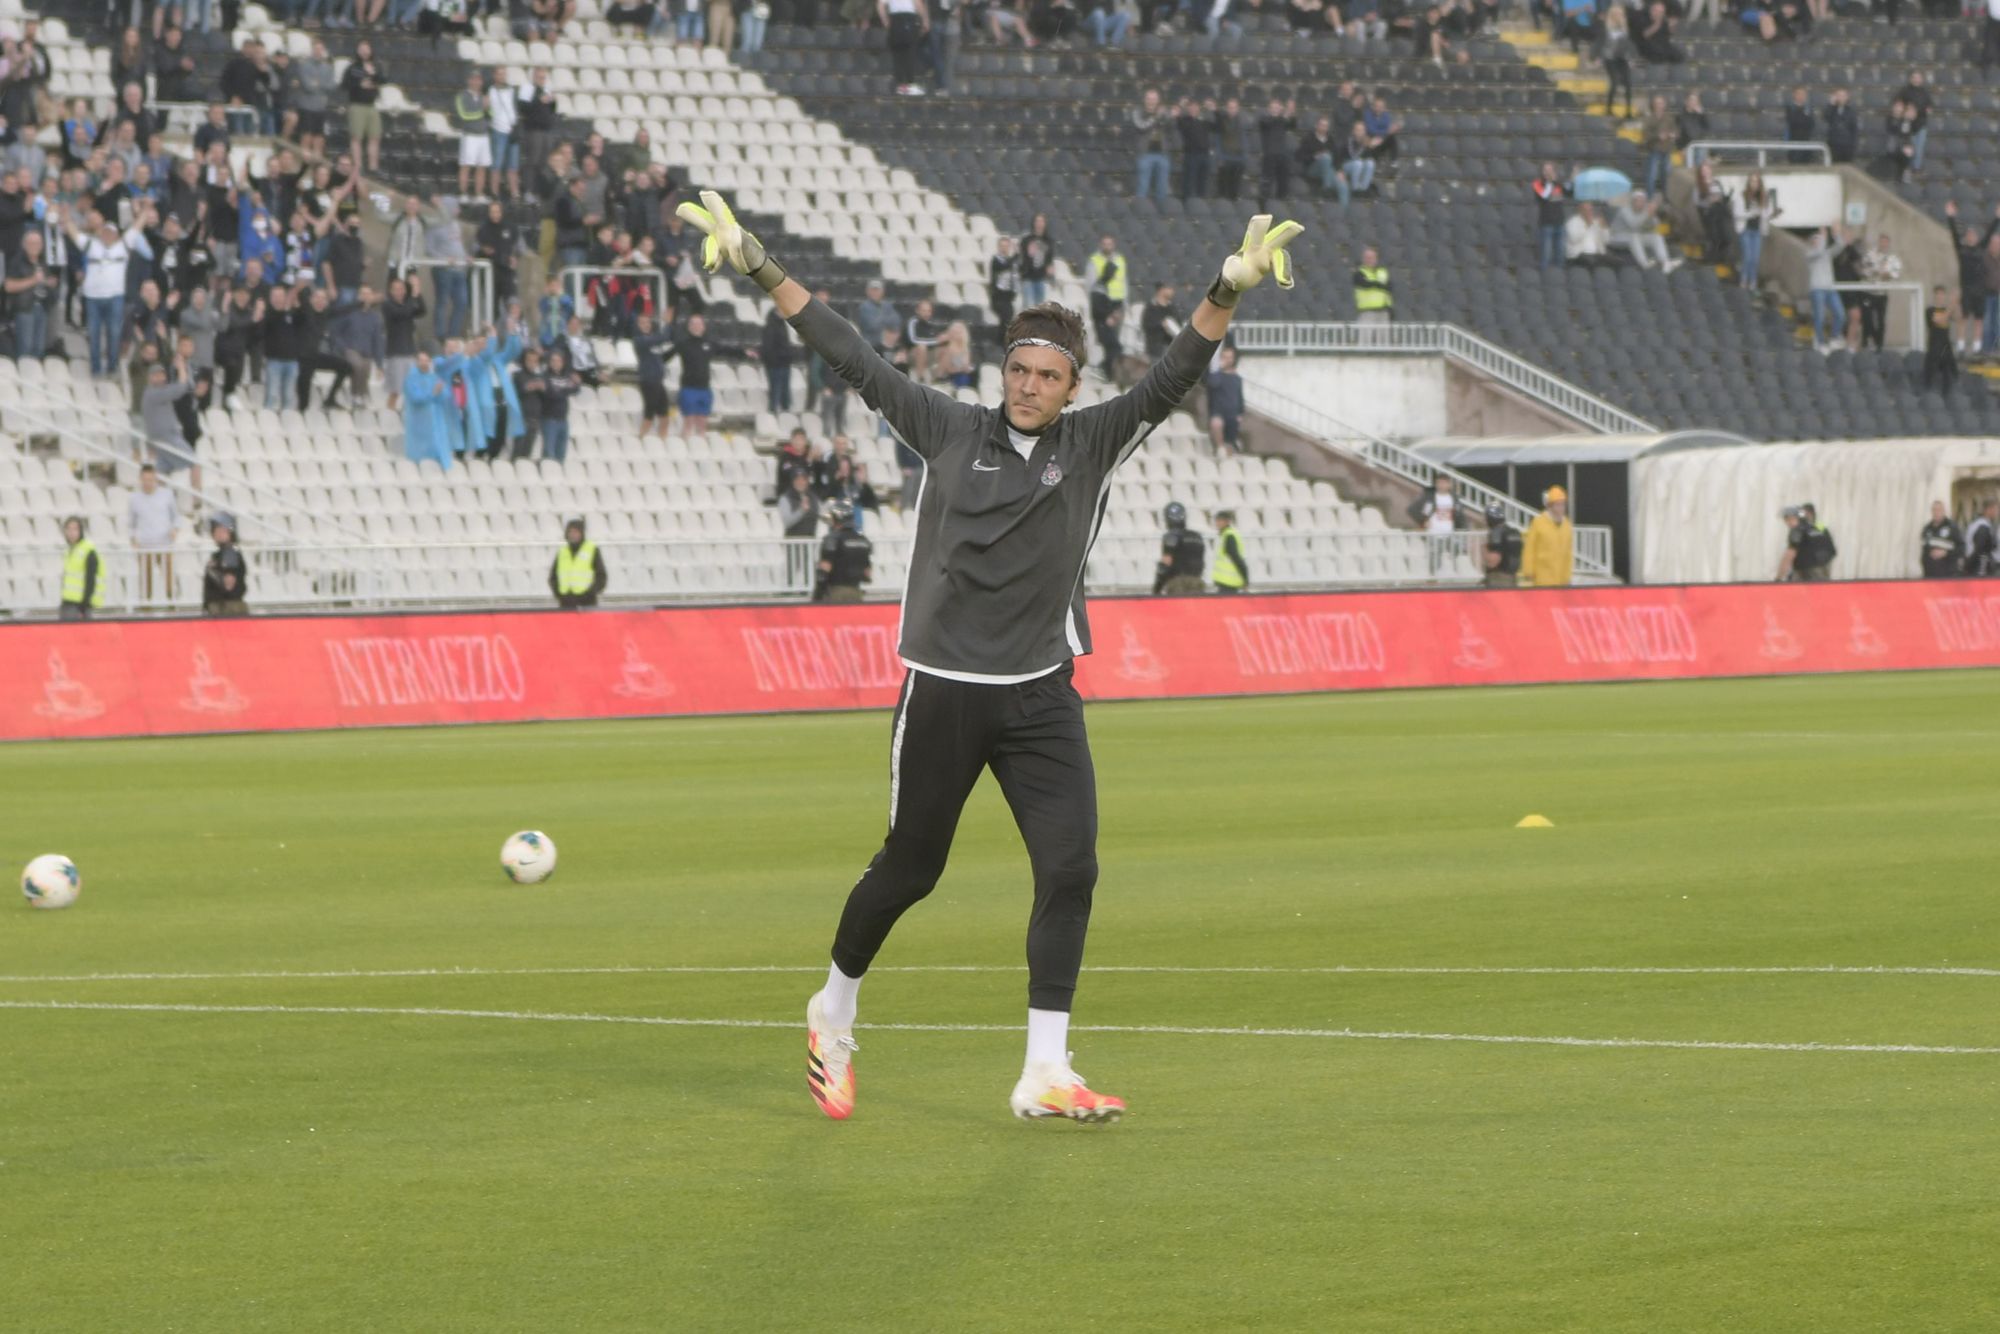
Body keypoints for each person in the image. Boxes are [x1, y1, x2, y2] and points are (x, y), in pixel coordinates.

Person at [672, 187, 1300, 1123]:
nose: (1029, 386)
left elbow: (1173, 377)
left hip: (1041, 695)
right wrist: (761, 266)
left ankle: (1045, 1069)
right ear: (1003, 371)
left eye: (1048, 375)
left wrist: (1227, 289)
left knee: (1071, 869)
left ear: (1072, 387)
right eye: (1019, 370)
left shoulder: (1095, 442)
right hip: (944, 691)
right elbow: (851, 355)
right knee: (910, 870)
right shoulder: (949, 428)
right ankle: (832, 1010)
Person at [1805, 227, 1855, 353]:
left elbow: (1840, 246)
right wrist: (1823, 236)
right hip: (1817, 289)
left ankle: (1834, 337)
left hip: (1830, 289)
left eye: (1819, 239)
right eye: (1816, 239)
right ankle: (1820, 342)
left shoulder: (1827, 253)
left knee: (1840, 314)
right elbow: (1819, 251)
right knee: (1819, 317)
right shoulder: (1809, 254)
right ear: (1812, 242)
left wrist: (1836, 233)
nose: (1818, 241)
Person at [814, 499, 873, 603]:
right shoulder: (863, 540)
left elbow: (824, 569)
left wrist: (818, 594)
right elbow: (867, 573)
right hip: (856, 592)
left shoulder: (832, 539)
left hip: (836, 592)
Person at [1732, 174, 1779, 291]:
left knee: (1755, 259)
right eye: (1752, 181)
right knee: (1747, 256)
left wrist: (1773, 213)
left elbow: (1766, 214)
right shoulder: (1742, 195)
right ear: (1749, 183)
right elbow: (1737, 213)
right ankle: (1744, 280)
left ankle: (1753, 281)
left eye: (1756, 182)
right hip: (1745, 230)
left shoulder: (1763, 197)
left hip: (1757, 231)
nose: (1754, 184)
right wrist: (1751, 213)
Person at [1519, 485, 1573, 586]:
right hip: (1542, 580)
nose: (1561, 508)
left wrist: (1567, 577)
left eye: (1563, 504)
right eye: (1558, 505)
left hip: (1561, 581)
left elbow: (1568, 554)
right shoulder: (1538, 523)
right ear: (1550, 506)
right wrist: (1528, 572)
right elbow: (1529, 548)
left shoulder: (1567, 525)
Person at [549, 518, 607, 608]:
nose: (573, 535)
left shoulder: (592, 550)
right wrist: (559, 594)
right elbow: (553, 577)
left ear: (582, 533)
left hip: (587, 603)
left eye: (576, 532)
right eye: (570, 532)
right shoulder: (562, 552)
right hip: (566, 603)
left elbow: (601, 576)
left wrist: (590, 594)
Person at [1153, 500, 1205, 594]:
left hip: (1178, 582)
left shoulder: (1171, 536)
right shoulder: (1197, 537)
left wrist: (1157, 587)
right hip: (1196, 581)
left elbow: (1166, 563)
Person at [58, 515, 104, 620]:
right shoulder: (70, 551)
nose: (71, 533)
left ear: (81, 531)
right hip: (68, 602)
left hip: (80, 605)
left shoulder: (88, 550)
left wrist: (84, 606)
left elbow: (91, 580)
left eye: (75, 529)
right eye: (68, 529)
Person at [202, 514, 248, 616]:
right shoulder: (220, 554)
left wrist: (213, 572)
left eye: (222, 530)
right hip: (220, 609)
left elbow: (228, 585)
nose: (217, 533)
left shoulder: (230, 553)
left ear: (230, 532)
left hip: (225, 610)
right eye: (216, 530)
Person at [881, 0, 930, 96]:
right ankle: (910, 84)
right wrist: (925, 20)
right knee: (910, 53)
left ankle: (900, 86)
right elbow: (918, 3)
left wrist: (885, 20)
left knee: (898, 55)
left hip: (894, 19)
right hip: (908, 19)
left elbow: (880, 5)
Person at [1777, 503, 1835, 581]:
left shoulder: (1797, 530)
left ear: (1794, 517)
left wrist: (1778, 578)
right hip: (1824, 568)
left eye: (1788, 519)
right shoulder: (1820, 527)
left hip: (1807, 571)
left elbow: (1789, 555)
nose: (1787, 523)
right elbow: (1831, 549)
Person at [1132, 87, 1171, 200]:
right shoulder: (1138, 112)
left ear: (1158, 100)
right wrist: (1156, 117)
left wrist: (1168, 115)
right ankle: (1140, 208)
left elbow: (1171, 127)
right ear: (1144, 99)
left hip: (1162, 154)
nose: (1151, 101)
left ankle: (1161, 209)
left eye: (1154, 99)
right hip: (1144, 155)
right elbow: (1141, 127)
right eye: (1149, 98)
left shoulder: (1163, 113)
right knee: (1143, 185)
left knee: (1162, 187)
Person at [1206, 344, 1244, 453]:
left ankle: (1230, 447)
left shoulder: (1237, 378)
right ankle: (1220, 448)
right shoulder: (1216, 376)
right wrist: (1219, 369)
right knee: (1216, 423)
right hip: (1218, 413)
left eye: (1229, 357)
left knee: (1232, 441)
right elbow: (1213, 384)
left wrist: (1240, 413)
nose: (1227, 360)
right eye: (1224, 357)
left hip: (1232, 415)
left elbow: (1240, 397)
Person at [1531, 162, 1567, 271]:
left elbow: (1570, 192)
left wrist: (1572, 180)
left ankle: (1559, 275)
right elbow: (1544, 196)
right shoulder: (1537, 184)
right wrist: (1551, 183)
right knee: (1546, 254)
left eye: (1550, 170)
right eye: (1545, 170)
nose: (1547, 173)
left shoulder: (1559, 184)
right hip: (1546, 224)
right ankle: (1544, 275)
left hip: (1560, 222)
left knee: (1560, 254)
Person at [1923, 285, 1957, 394]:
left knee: (1949, 372)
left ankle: (1948, 393)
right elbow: (1939, 320)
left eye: (1942, 294)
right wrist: (1951, 306)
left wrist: (1956, 302)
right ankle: (1929, 391)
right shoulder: (1929, 310)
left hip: (1946, 345)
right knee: (1931, 371)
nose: (1940, 296)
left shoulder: (1947, 310)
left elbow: (1958, 317)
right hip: (1934, 345)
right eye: (1938, 294)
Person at [1481, 501, 1521, 588]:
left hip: (1498, 580)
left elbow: (1492, 562)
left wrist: (1483, 548)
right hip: (1513, 579)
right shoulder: (1513, 532)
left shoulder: (1496, 533)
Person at [1920, 500, 1962, 578]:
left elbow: (1961, 548)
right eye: (1934, 510)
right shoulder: (1927, 529)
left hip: (1948, 575)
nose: (1936, 513)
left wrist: (1946, 553)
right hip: (1930, 575)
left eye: (1939, 510)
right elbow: (1924, 551)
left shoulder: (1952, 527)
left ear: (1944, 511)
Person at [1212, 507, 1249, 593]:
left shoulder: (1229, 536)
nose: (1217, 523)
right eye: (1217, 520)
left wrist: (1245, 579)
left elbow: (1236, 558)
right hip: (1225, 582)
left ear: (1227, 522)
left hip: (1228, 582)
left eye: (1220, 520)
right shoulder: (1226, 535)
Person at [1352, 245, 1391, 323]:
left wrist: (1374, 284)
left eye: (1371, 258)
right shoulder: (1359, 273)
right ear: (1363, 259)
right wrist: (1379, 284)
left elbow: (1389, 287)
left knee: (1384, 332)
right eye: (1367, 258)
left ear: (1376, 259)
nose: (1369, 260)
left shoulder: (1383, 272)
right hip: (1367, 312)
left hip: (1383, 312)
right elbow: (1365, 284)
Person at [1563, 202, 1610, 266]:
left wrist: (1604, 228)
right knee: (1595, 262)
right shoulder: (1572, 222)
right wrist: (1587, 225)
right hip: (1578, 255)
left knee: (1617, 262)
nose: (1589, 212)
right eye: (1586, 210)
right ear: (1580, 211)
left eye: (1590, 210)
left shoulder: (1595, 222)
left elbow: (1606, 241)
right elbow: (1574, 239)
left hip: (1597, 254)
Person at [778, 468, 821, 537]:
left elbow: (821, 515)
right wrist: (801, 511)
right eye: (797, 480)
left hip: (812, 540)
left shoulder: (814, 498)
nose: (800, 482)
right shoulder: (785, 498)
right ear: (792, 482)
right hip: (793, 541)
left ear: (807, 482)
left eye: (803, 480)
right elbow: (786, 523)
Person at [1964, 499, 1999, 576]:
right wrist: (1968, 567)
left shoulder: (1978, 523)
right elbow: (1979, 549)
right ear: (1988, 510)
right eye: (1996, 509)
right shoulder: (1983, 526)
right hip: (1979, 566)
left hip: (1976, 564)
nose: (1997, 512)